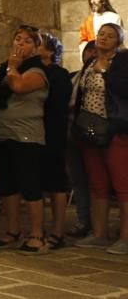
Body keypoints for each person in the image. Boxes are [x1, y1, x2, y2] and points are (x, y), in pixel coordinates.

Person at [0, 26, 49, 255]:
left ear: (35, 47)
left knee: (30, 185)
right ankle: (13, 231)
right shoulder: (6, 69)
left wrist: (12, 67)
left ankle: (37, 235)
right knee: (7, 185)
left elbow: (19, 86)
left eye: (26, 41)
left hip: (26, 135)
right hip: (4, 133)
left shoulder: (37, 70)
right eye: (17, 39)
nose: (20, 44)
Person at [74, 23, 128, 255]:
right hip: (90, 129)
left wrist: (106, 71)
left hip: (114, 128)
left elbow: (124, 89)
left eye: (110, 35)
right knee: (97, 184)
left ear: (118, 41)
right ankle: (99, 233)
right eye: (101, 34)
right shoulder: (89, 62)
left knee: (123, 185)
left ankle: (126, 238)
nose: (103, 38)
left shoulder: (123, 62)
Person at [39, 33, 74, 249]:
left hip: (53, 132)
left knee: (56, 182)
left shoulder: (59, 75)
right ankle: (39, 228)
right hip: (35, 132)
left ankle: (58, 230)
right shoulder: (33, 70)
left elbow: (58, 105)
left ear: (51, 51)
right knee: (39, 183)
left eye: (38, 45)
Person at [68, 41, 98, 238]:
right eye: (89, 51)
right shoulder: (73, 77)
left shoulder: (103, 77)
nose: (91, 55)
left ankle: (98, 223)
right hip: (72, 133)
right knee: (78, 179)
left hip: (95, 134)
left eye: (95, 52)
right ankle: (83, 220)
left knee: (98, 181)